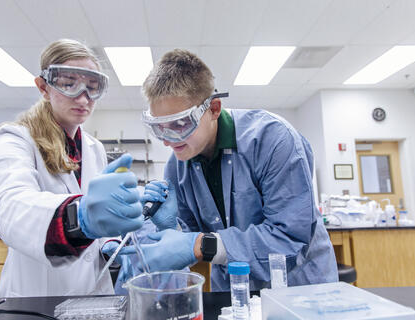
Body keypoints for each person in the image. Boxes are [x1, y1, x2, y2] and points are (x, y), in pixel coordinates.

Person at [121, 49, 338, 291]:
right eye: (158, 128)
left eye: (180, 124)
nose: (167, 140)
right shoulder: (177, 165)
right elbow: (187, 241)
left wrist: (200, 245)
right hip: (233, 291)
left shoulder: (272, 139)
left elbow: (288, 240)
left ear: (213, 109)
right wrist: (171, 230)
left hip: (299, 288)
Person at [0, 39, 143, 297]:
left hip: (93, 292)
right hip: (37, 296)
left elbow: (99, 224)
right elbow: (9, 206)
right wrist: (77, 219)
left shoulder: (94, 148)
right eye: (69, 84)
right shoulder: (14, 139)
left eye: (92, 88)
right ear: (43, 87)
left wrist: (112, 241)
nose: (83, 97)